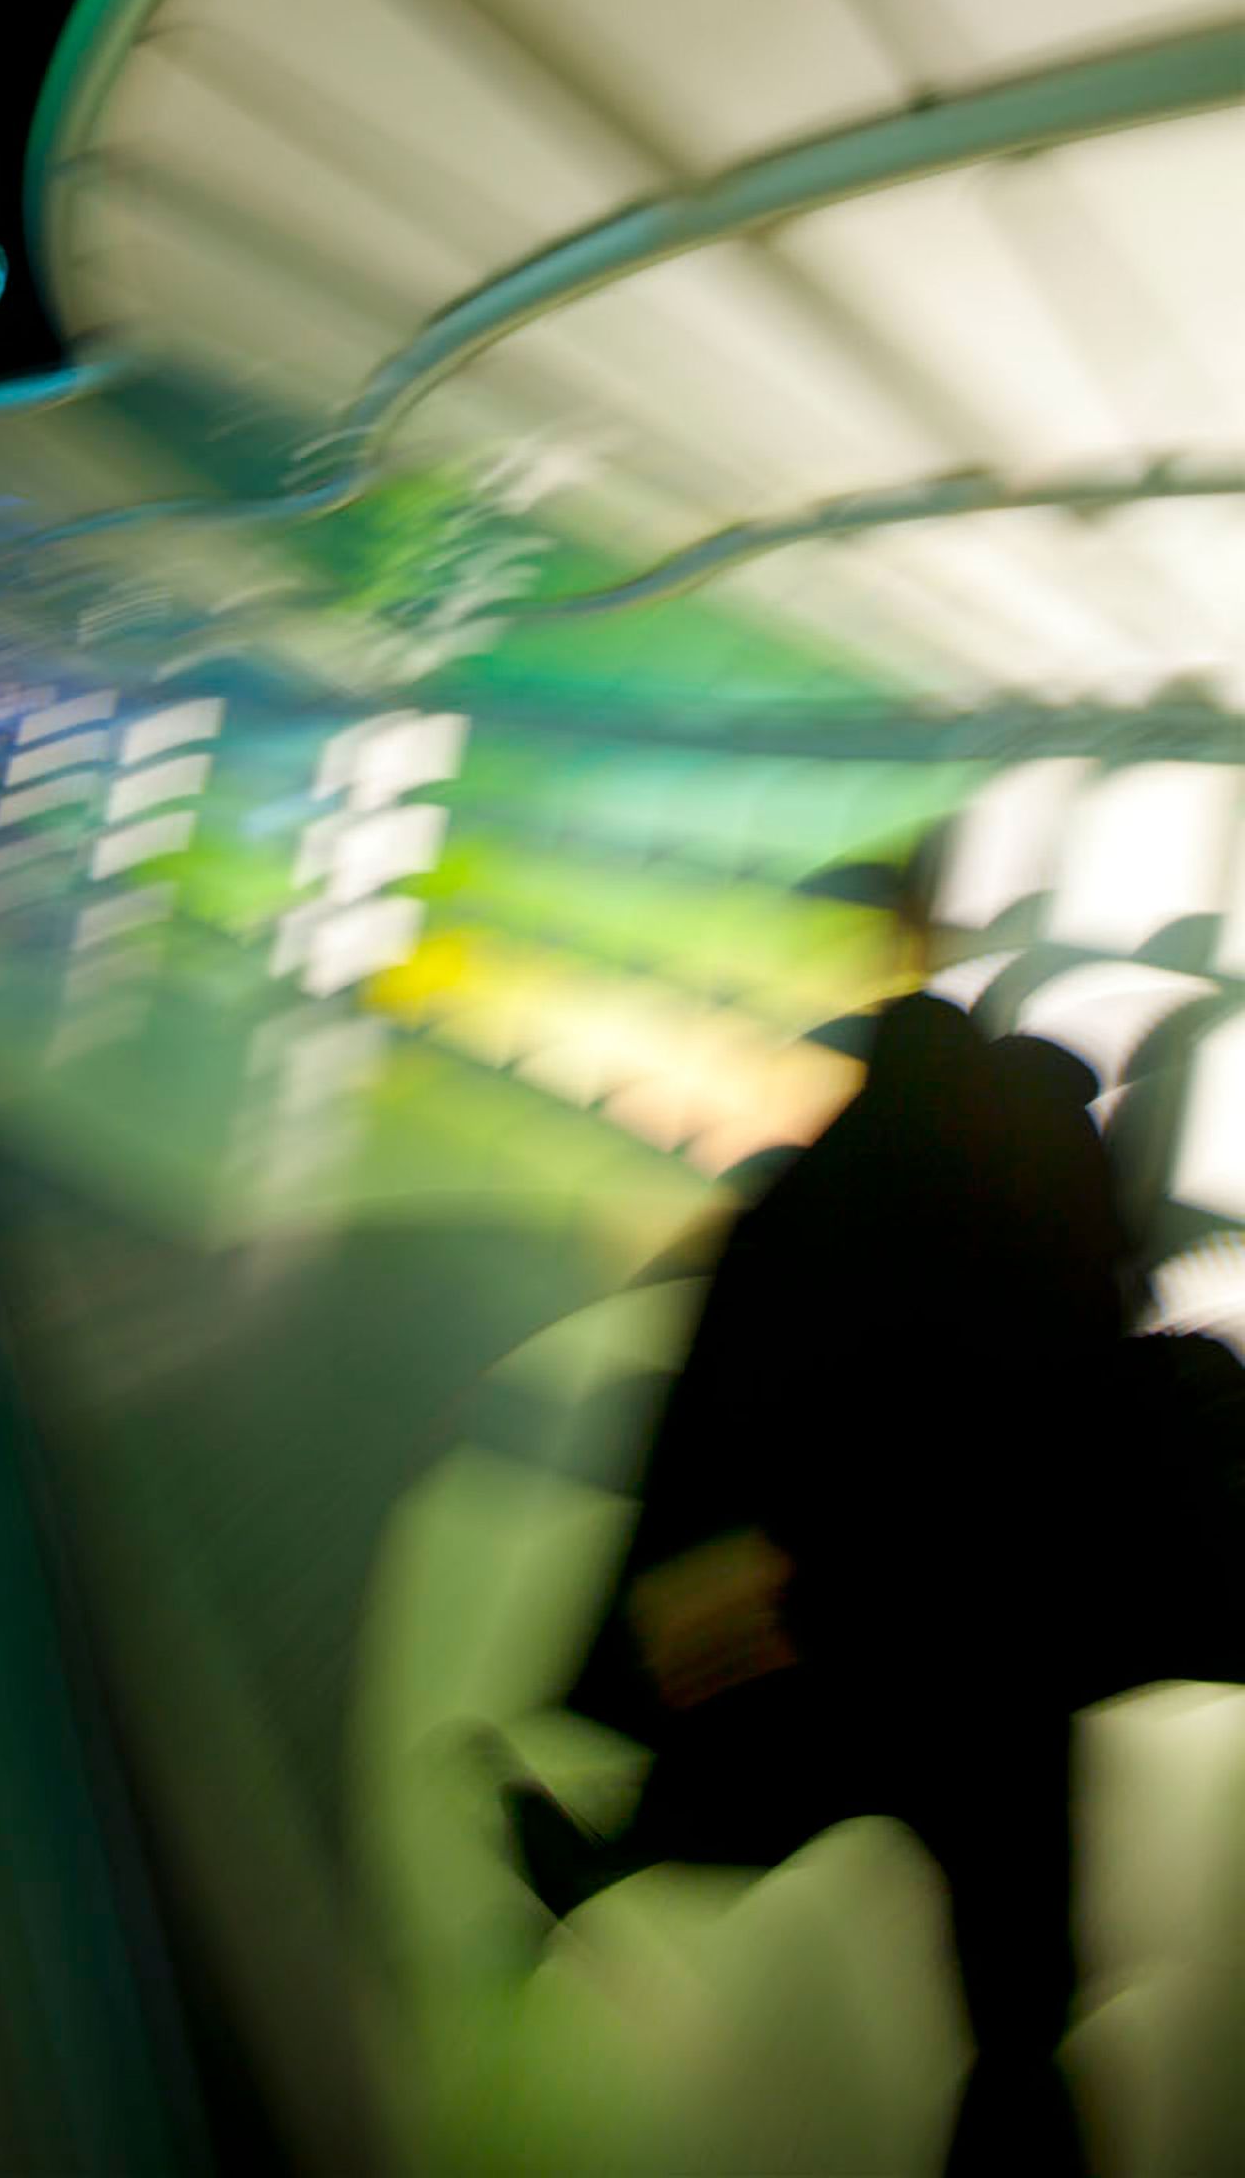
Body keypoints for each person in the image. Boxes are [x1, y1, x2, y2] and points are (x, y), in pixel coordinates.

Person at [499, 860, 1134, 2177]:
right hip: (1010, 1592)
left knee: (787, 1764)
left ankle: (616, 1853)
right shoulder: (1045, 1156)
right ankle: (1019, 2099)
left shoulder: (845, 1178)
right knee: (1004, 1873)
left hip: (864, 1581)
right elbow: (1089, 1332)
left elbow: (748, 1368)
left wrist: (716, 1544)